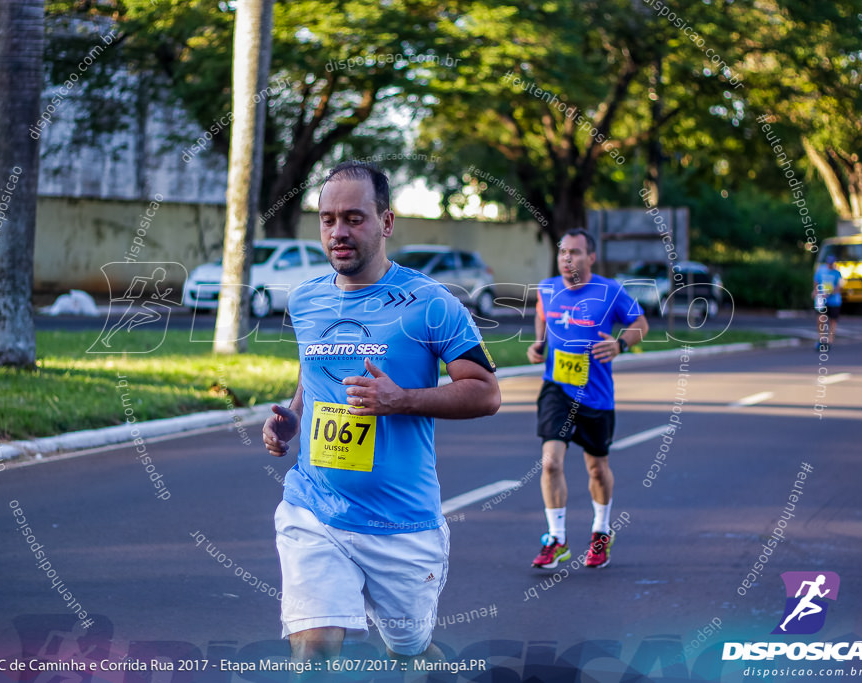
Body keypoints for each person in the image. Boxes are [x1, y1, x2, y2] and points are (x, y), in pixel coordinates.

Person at [262, 161, 501, 662]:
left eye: (354, 217)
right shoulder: (306, 300)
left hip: (403, 522)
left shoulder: (431, 304)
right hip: (315, 507)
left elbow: (485, 392)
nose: (338, 232)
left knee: (411, 653)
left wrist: (402, 399)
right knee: (314, 649)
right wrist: (292, 416)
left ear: (386, 222)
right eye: (327, 219)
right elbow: (315, 372)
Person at [527, 229, 648, 569]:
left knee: (597, 469)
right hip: (556, 388)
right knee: (550, 462)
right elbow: (542, 312)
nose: (567, 259)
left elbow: (641, 322)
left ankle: (600, 531)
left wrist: (621, 344)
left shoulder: (610, 291)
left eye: (575, 253)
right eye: (563, 252)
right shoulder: (548, 287)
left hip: (595, 394)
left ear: (591, 258)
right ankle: (557, 538)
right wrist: (539, 343)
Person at [813, 255, 842, 351]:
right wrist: (816, 292)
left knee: (832, 321)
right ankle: (821, 339)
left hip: (834, 301)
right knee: (820, 318)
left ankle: (830, 341)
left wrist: (830, 292)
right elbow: (816, 282)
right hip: (822, 299)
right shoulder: (820, 270)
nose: (830, 265)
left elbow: (839, 286)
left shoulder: (837, 273)